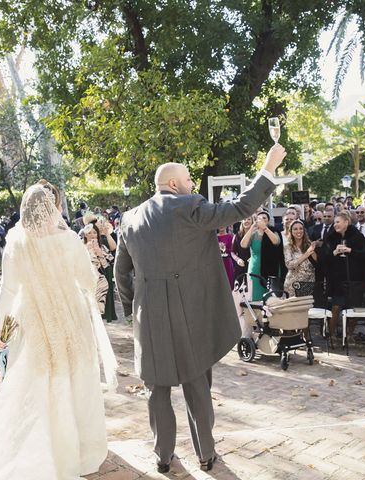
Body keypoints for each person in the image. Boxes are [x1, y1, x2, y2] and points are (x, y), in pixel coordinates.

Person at [114, 144, 285, 473]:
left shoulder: (129, 218)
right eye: (190, 180)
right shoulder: (190, 206)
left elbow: (121, 272)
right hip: (190, 315)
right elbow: (241, 206)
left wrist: (134, 309)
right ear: (175, 185)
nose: (194, 185)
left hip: (148, 316)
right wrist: (268, 168)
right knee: (196, 386)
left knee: (157, 390)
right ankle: (206, 455)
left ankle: (163, 457)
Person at [0, 181, 116, 480]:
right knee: (74, 380)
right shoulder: (68, 239)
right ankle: (78, 453)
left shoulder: (16, 239)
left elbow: (9, 289)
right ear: (53, 209)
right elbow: (88, 280)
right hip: (69, 316)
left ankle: (43, 451)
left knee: (41, 382)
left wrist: (0, 331)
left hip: (31, 317)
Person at [321, 211, 365, 348]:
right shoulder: (330, 238)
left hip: (355, 279)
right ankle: (331, 335)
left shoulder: (358, 237)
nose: (335, 224)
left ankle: (349, 334)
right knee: (336, 307)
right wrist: (334, 253)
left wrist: (350, 251)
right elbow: (324, 258)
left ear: (346, 222)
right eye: (335, 222)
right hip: (336, 279)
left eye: (338, 222)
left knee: (354, 309)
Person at [241, 211, 282, 300]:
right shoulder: (253, 233)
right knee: (256, 293)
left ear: (268, 221)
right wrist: (252, 228)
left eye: (264, 218)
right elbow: (243, 245)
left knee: (270, 295)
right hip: (255, 267)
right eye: (260, 218)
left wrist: (265, 229)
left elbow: (276, 242)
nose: (262, 220)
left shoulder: (273, 231)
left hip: (271, 266)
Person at [283, 220, 317, 297]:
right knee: (294, 308)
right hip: (293, 284)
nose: (298, 231)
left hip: (309, 282)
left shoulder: (309, 244)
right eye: (295, 229)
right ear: (291, 231)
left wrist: (313, 251)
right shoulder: (288, 246)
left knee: (307, 307)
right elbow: (289, 265)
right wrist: (306, 254)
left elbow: (316, 263)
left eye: (301, 228)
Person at [231, 217, 252, 287]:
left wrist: (253, 258)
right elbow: (232, 252)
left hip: (253, 265)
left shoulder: (256, 235)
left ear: (252, 221)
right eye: (244, 219)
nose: (246, 221)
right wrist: (238, 260)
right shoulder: (237, 235)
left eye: (249, 219)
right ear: (241, 221)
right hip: (240, 265)